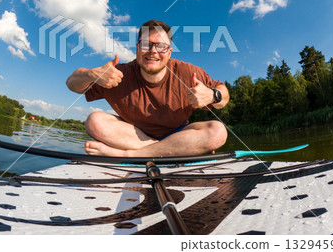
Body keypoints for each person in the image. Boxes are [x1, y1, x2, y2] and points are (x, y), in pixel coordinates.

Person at [66, 20, 229, 158]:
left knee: (218, 131)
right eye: (146, 45)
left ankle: (128, 155)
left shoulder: (187, 72)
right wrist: (91, 74)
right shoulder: (119, 74)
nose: (152, 51)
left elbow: (224, 95)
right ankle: (167, 150)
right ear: (137, 48)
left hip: (179, 133)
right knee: (94, 121)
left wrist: (213, 95)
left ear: (169, 52)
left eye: (161, 46)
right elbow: (72, 84)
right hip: (132, 135)